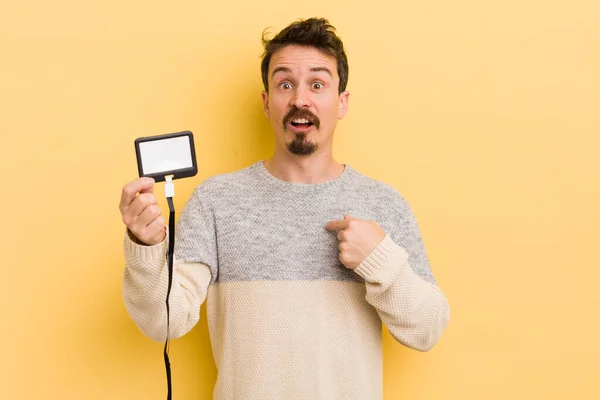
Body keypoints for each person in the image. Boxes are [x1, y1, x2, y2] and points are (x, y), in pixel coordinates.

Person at [119, 17, 450, 400]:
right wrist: (144, 246)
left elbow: (428, 330)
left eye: (318, 83)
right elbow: (164, 320)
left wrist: (381, 260)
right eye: (285, 84)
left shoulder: (384, 204)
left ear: (341, 103)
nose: (300, 99)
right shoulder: (216, 202)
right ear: (267, 101)